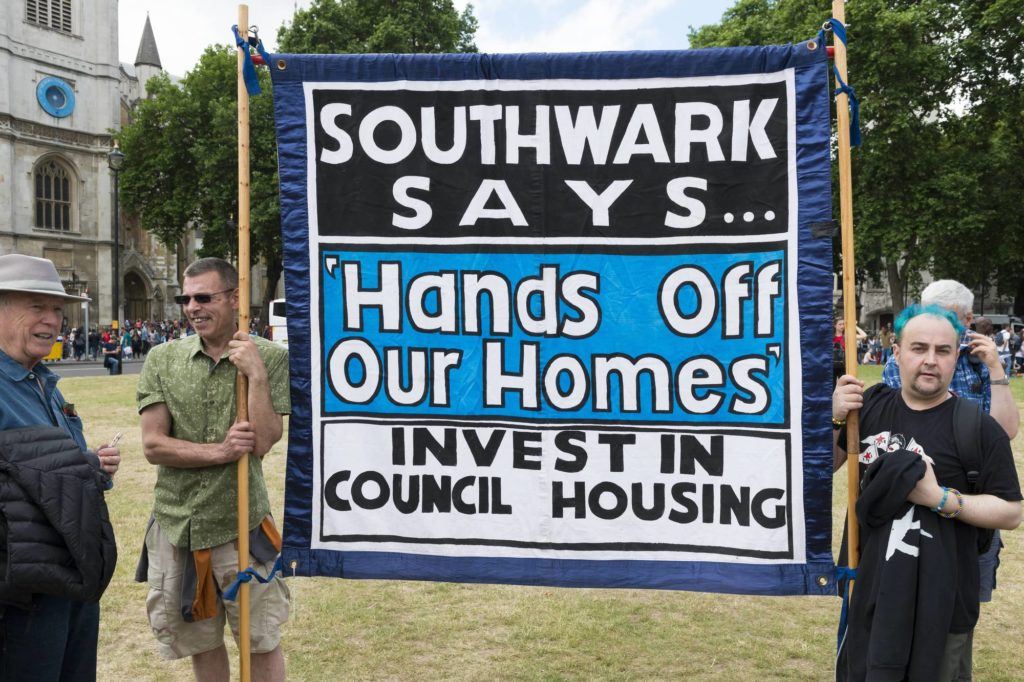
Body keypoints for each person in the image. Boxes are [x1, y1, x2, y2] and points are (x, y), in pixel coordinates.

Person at [835, 304, 1022, 680]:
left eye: (943, 350)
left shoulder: (976, 427)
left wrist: (939, 498)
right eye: (919, 348)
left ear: (957, 357)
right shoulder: (868, 407)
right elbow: (822, 467)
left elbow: (1011, 512)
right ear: (896, 352)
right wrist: (835, 416)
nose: (930, 360)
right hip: (868, 590)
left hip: (944, 606)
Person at [136, 258, 290, 681]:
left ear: (234, 297)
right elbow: (153, 445)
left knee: (260, 641)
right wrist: (220, 451)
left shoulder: (270, 357)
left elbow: (264, 441)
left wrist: (256, 375)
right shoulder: (162, 358)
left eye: (203, 297)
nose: (192, 308)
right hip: (178, 527)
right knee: (201, 644)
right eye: (185, 299)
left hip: (242, 525)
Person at [0, 253, 121, 680]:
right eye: (36, 306)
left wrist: (94, 468)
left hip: (72, 574)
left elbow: (52, 466)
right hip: (21, 589)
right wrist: (80, 467)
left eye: (57, 309)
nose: (52, 320)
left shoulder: (43, 382)